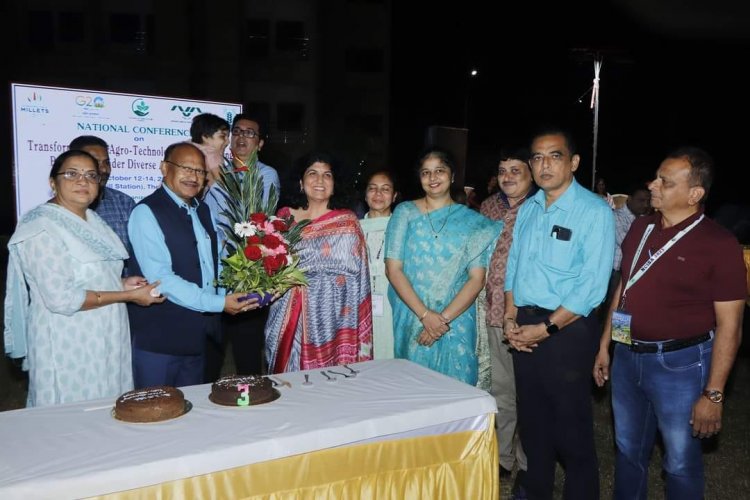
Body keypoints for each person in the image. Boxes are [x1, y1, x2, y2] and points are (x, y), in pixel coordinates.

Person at [593, 147, 746, 500]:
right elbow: (624, 289)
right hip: (629, 358)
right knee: (628, 450)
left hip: (680, 365)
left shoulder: (719, 244)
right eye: (656, 176)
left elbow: (731, 327)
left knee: (679, 462)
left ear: (695, 194)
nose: (653, 185)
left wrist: (714, 393)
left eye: (665, 181)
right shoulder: (642, 227)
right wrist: (607, 346)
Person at [4, 150, 164, 407]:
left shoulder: (92, 219)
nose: (83, 181)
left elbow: (90, 273)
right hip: (67, 341)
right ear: (52, 182)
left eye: (91, 175)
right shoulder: (40, 226)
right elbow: (62, 298)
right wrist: (129, 296)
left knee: (109, 407)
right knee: (73, 419)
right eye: (72, 174)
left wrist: (121, 283)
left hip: (108, 334)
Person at [504, 128, 614, 500]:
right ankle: (536, 491)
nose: (543, 164)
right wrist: (509, 317)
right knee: (533, 424)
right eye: (536, 157)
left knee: (571, 429)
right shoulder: (530, 208)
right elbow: (513, 266)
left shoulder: (594, 211)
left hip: (566, 329)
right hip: (524, 324)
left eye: (554, 156)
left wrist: (544, 328)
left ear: (574, 162)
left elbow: (592, 286)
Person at [127, 142, 254, 388]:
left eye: (199, 171)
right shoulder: (147, 212)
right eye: (186, 168)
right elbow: (161, 278)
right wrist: (220, 303)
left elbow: (213, 264)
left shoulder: (202, 209)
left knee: (190, 412)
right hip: (161, 338)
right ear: (164, 168)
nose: (193, 176)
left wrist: (245, 285)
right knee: (156, 413)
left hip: (198, 336)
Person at [385, 148, 502, 386]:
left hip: (456, 320)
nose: (433, 177)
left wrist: (441, 321)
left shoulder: (472, 222)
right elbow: (393, 269)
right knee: (413, 389)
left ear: (452, 175)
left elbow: (476, 279)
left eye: (440, 170)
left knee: (456, 392)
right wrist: (425, 316)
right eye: (426, 172)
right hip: (412, 315)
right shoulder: (405, 212)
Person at [265, 151, 372, 373]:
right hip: (284, 310)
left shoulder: (346, 223)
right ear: (301, 182)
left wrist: (308, 279)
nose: (320, 180)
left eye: (327, 175)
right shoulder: (283, 218)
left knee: (325, 385)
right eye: (312, 173)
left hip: (331, 317)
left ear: (335, 184)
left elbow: (356, 280)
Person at [203, 113, 281, 378]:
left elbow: (251, 215)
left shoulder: (266, 174)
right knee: (210, 356)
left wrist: (216, 176)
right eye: (236, 131)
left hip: (246, 275)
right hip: (212, 277)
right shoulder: (211, 170)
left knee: (247, 356)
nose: (241, 137)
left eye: (250, 133)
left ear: (260, 144)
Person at [479, 147, 537, 491]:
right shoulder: (488, 208)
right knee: (500, 390)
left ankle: (529, 460)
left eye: (516, 169)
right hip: (492, 314)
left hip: (529, 317)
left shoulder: (541, 208)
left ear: (530, 173)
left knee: (528, 392)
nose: (509, 176)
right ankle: (503, 458)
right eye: (503, 170)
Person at [68, 136, 136, 275]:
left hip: (126, 292)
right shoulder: (58, 211)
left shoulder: (124, 203)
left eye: (107, 162)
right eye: (95, 163)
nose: (104, 169)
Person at [359, 170, 399, 359]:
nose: (378, 194)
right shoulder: (354, 227)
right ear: (366, 194)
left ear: (394, 196)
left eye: (385, 189)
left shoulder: (401, 228)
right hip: (360, 302)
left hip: (393, 301)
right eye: (372, 189)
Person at [606, 183, 651, 309]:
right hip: (617, 274)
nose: (646, 205)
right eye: (641, 200)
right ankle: (606, 328)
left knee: (626, 308)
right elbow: (628, 244)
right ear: (629, 199)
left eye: (648, 201)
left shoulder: (645, 219)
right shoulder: (615, 216)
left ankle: (618, 329)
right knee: (612, 307)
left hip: (635, 274)